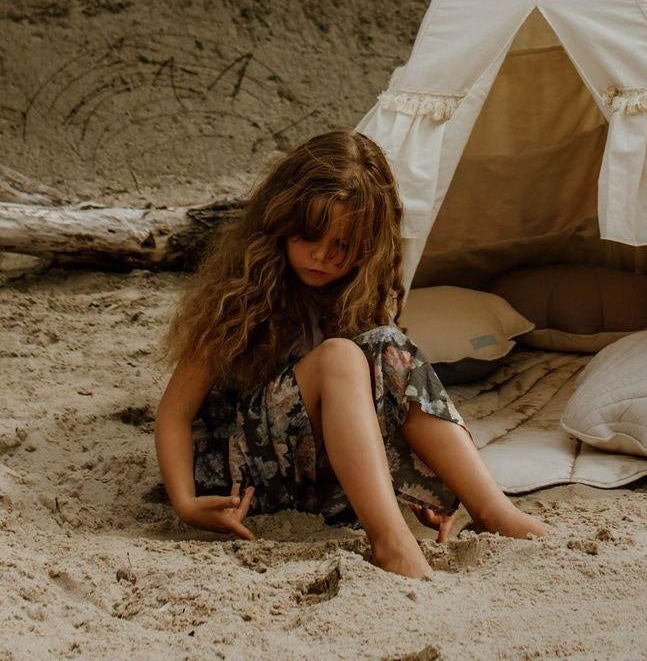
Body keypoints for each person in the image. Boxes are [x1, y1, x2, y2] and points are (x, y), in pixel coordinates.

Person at [154, 128, 549, 577]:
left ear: (367, 246)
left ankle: (493, 510)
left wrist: (413, 483)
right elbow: (174, 414)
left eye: (342, 246)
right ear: (282, 221)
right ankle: (391, 544)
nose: (322, 256)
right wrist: (186, 504)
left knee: (389, 346)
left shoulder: (359, 297)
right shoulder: (239, 295)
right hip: (243, 481)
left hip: (324, 484)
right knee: (341, 357)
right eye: (309, 236)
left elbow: (372, 410)